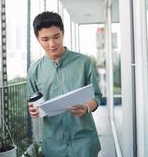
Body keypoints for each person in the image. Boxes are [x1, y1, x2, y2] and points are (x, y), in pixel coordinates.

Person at [27, 11, 103, 157]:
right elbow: (32, 103)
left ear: (63, 33)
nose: (52, 44)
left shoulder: (84, 63)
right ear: (38, 39)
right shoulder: (34, 70)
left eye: (56, 36)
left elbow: (97, 97)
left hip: (84, 141)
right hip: (54, 144)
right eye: (45, 39)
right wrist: (33, 111)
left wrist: (87, 107)